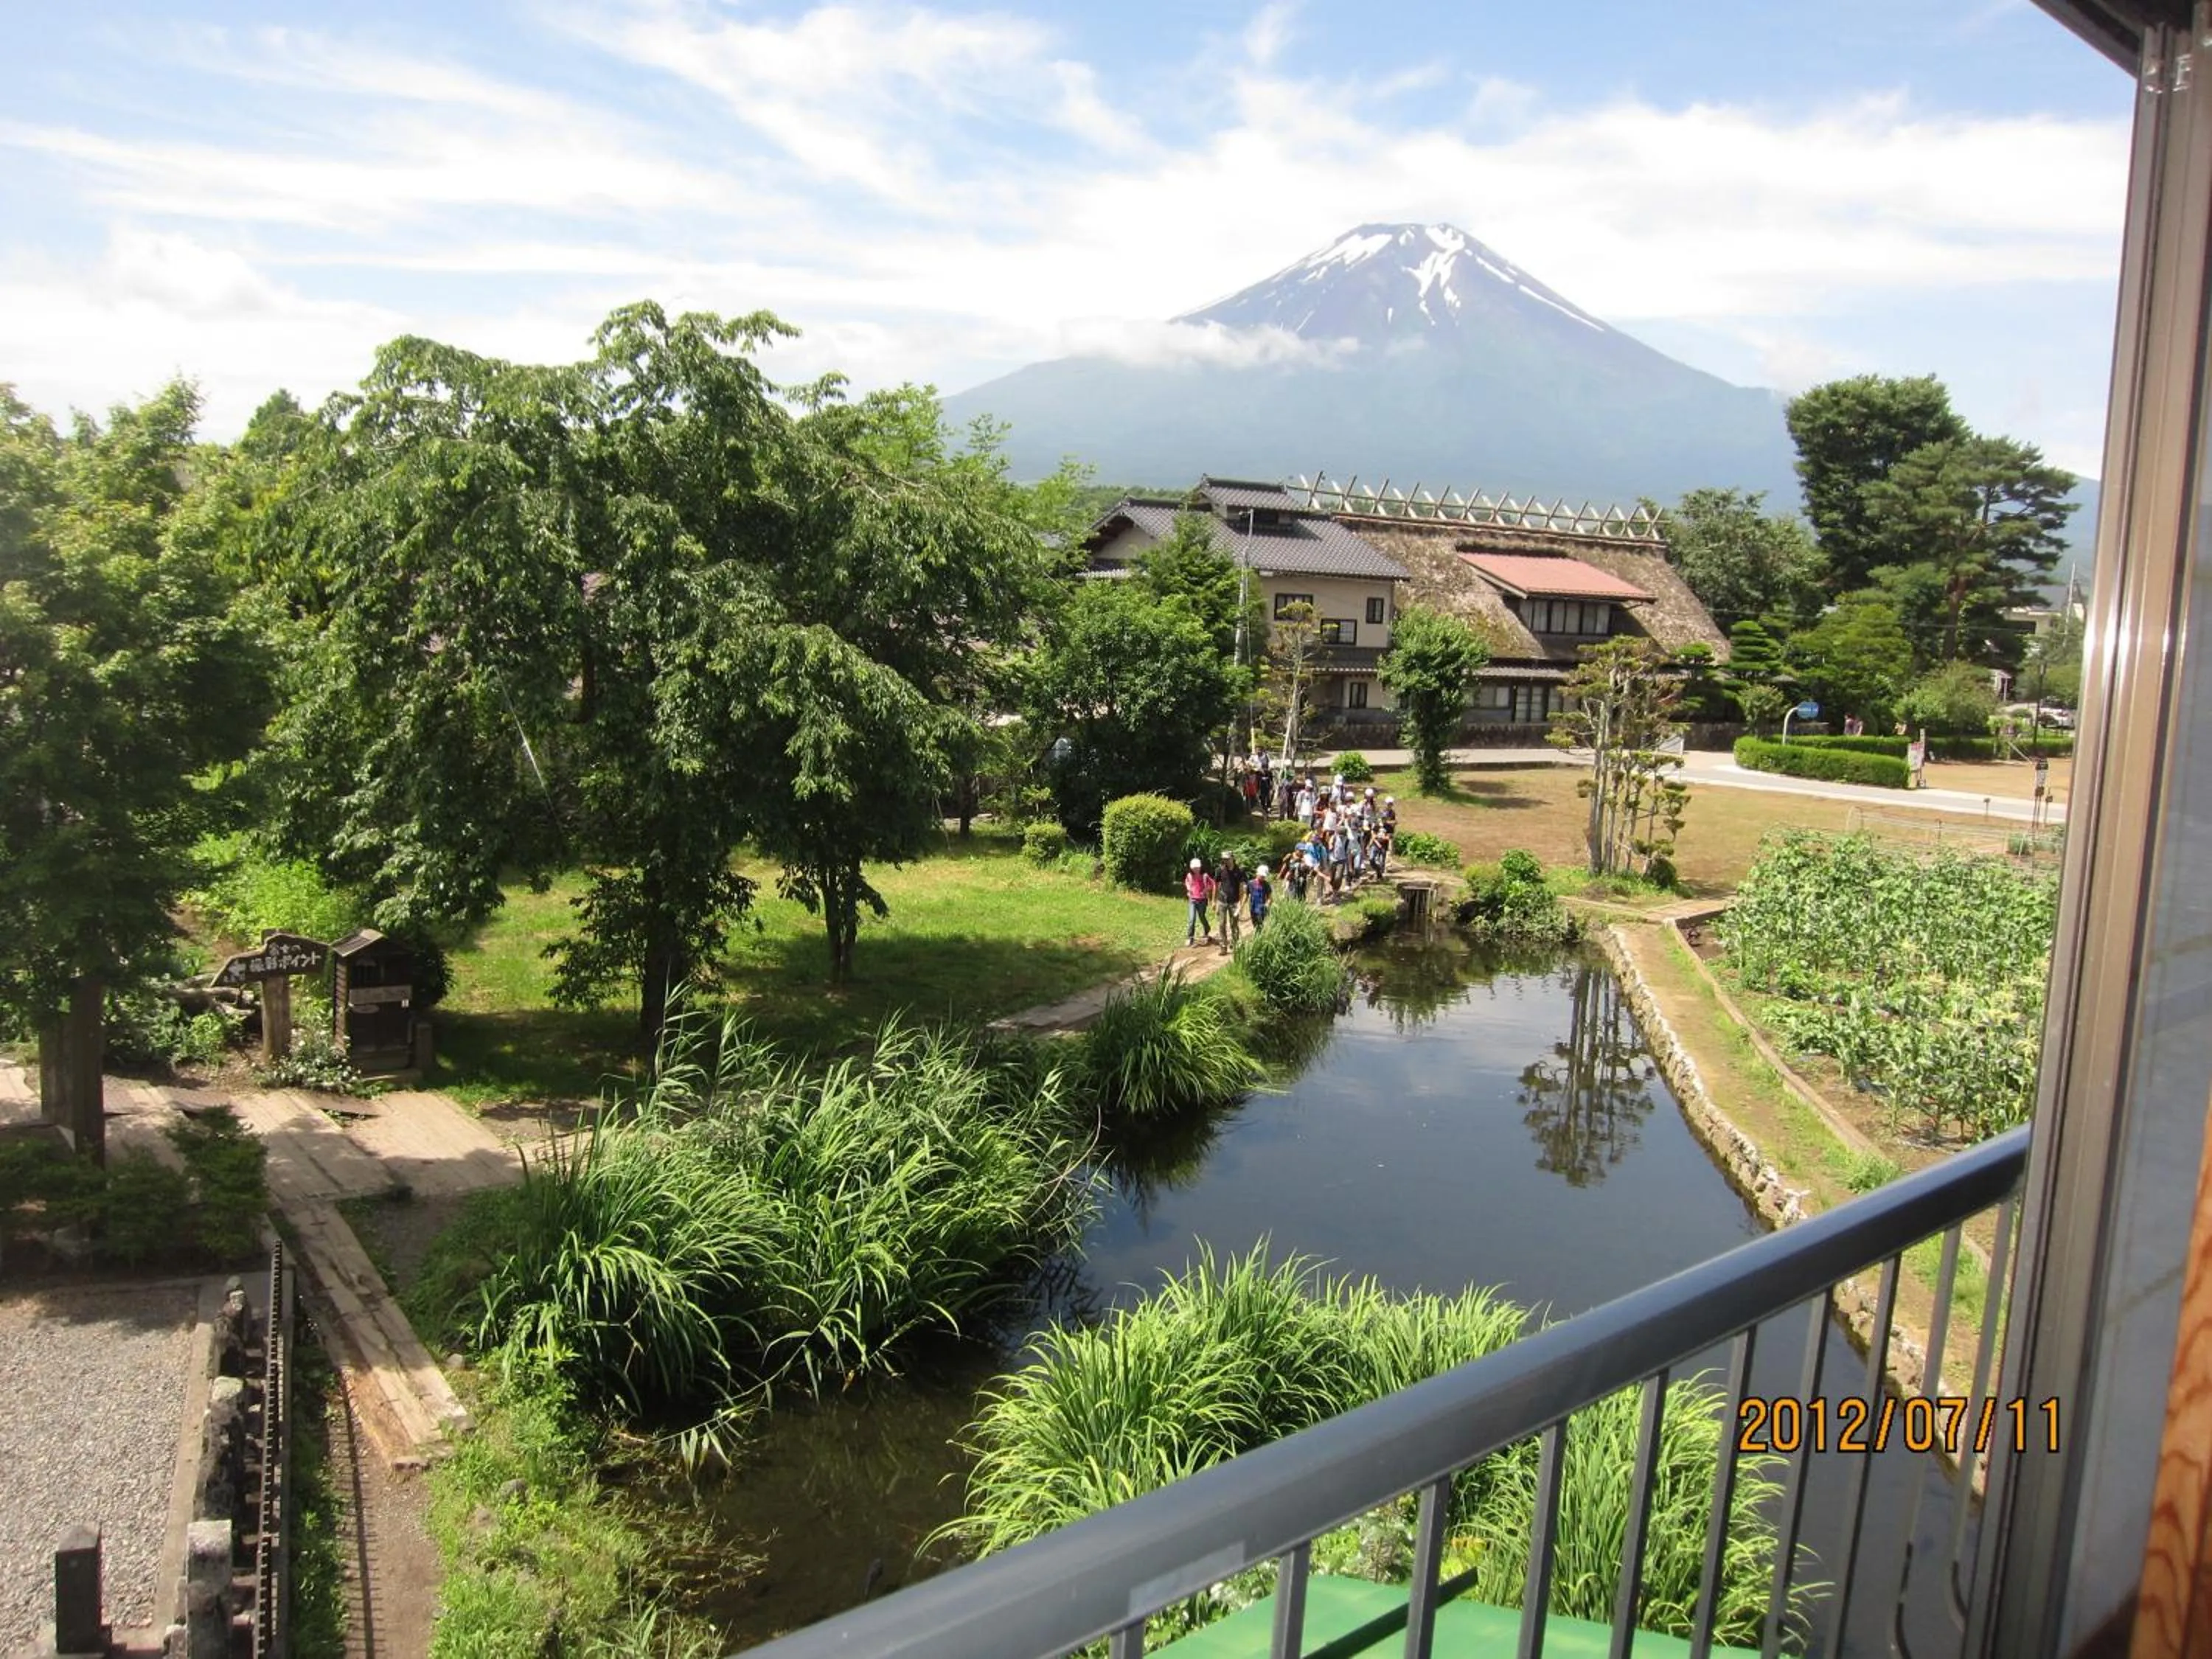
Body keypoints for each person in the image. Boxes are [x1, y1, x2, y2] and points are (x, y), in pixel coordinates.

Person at [1214, 850, 1246, 950]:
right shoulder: (1220, 870)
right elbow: (1216, 885)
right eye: (1224, 859)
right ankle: (1223, 945)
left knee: (1234, 924)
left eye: (1227, 859)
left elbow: (1242, 887)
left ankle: (1235, 944)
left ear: (1232, 858)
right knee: (1221, 924)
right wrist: (1213, 901)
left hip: (1234, 902)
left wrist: (1241, 904)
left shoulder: (1239, 871)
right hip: (1222, 901)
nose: (1226, 861)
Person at [1183, 857, 1214, 946]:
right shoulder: (1189, 875)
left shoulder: (1205, 876)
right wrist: (1188, 889)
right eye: (1194, 868)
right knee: (1192, 919)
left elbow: (1212, 884)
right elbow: (1187, 882)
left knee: (1202, 917)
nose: (1196, 869)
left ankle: (1207, 928)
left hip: (1202, 900)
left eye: (1197, 868)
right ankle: (1190, 937)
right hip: (1192, 900)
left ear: (1200, 867)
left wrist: (1206, 890)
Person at [1248, 862, 1272, 931]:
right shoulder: (1251, 883)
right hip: (1253, 908)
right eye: (1261, 876)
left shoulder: (1266, 885)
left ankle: (1259, 939)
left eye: (1264, 877)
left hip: (1262, 909)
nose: (1262, 878)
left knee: (1260, 926)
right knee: (1255, 925)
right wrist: (1241, 907)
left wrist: (1267, 905)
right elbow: (1246, 895)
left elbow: (1270, 898)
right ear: (1257, 874)